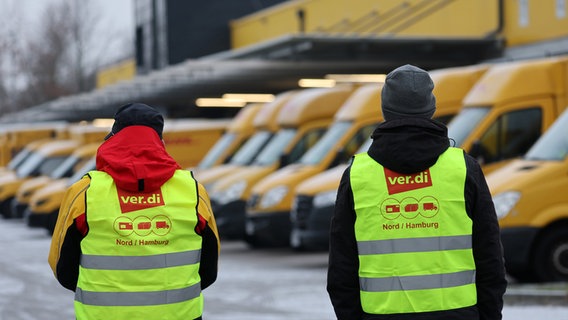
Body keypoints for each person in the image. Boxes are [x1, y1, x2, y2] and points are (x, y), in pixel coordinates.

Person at [327, 64, 507, 320]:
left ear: (385, 110)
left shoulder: (358, 175)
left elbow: (341, 268)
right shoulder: (464, 169)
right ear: (431, 108)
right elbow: (490, 257)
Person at [48, 103, 219, 320]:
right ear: (161, 144)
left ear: (112, 140)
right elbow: (209, 271)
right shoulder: (193, 192)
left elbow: (63, 269)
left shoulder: (84, 193)